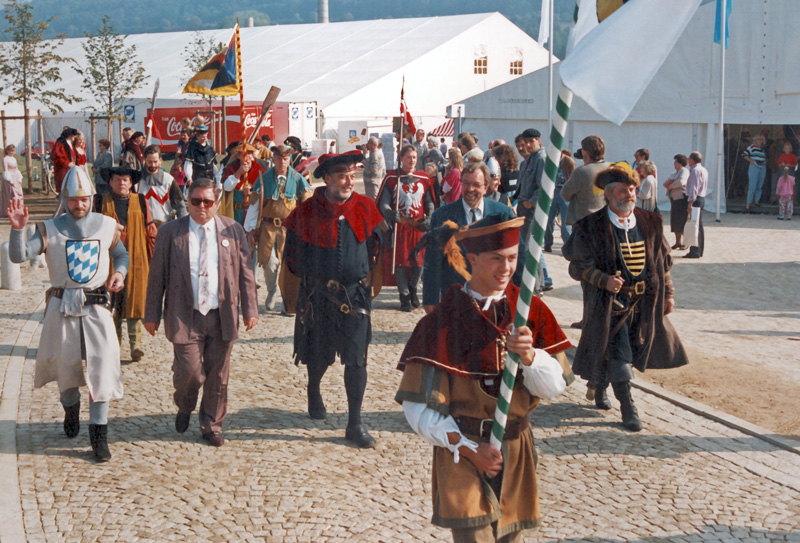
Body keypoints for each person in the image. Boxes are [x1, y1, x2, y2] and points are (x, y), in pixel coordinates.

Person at [396, 215, 570, 543]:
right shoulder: (441, 322)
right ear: (472, 259)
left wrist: (530, 357)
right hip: (461, 451)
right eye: (496, 259)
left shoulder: (530, 311)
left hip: (515, 451)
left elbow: (554, 386)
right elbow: (416, 411)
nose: (506, 268)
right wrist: (470, 448)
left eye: (512, 258)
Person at [7, 167, 128, 462]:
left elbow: (121, 254)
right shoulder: (50, 229)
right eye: (74, 200)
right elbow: (18, 256)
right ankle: (70, 407)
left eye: (84, 199)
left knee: (103, 366)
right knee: (66, 368)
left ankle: (98, 436)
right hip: (62, 306)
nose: (79, 205)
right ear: (65, 198)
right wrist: (17, 229)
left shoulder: (106, 225)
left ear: (91, 198)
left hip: (97, 306)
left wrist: (120, 273)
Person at [563, 163, 688, 432]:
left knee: (628, 350)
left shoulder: (651, 221)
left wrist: (669, 294)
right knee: (619, 352)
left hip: (643, 304)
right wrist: (604, 280)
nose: (629, 194)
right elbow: (577, 267)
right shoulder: (590, 226)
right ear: (608, 195)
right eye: (622, 191)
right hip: (607, 303)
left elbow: (663, 261)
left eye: (632, 189)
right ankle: (628, 408)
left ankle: (599, 382)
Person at [144, 177, 258, 447]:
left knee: (218, 375)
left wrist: (250, 308)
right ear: (188, 202)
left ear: (217, 203)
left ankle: (211, 425)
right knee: (190, 372)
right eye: (196, 201)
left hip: (222, 315)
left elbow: (246, 273)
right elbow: (156, 276)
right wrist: (151, 315)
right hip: (186, 315)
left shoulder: (233, 230)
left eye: (208, 201)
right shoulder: (171, 232)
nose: (202, 207)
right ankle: (185, 403)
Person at [282, 151, 384, 448]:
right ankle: (314, 388)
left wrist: (362, 275)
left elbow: (377, 244)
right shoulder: (305, 212)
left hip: (355, 297)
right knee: (319, 354)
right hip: (319, 297)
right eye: (342, 176)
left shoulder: (366, 207)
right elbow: (293, 255)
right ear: (327, 178)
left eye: (352, 176)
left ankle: (355, 423)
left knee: (356, 359)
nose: (348, 181)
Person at [422, 162, 515, 312]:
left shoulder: (502, 213)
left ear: (485, 188)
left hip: (493, 299)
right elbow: (433, 260)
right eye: (466, 183)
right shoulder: (442, 215)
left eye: (476, 185)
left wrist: (519, 295)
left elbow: (516, 256)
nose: (470, 189)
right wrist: (430, 300)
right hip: (455, 298)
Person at [95, 166, 157, 363]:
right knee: (111, 301)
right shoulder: (99, 202)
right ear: (110, 181)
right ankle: (114, 345)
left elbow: (151, 232)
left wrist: (154, 258)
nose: (122, 182)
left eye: (125, 180)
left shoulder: (141, 201)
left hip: (137, 257)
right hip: (108, 259)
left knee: (135, 300)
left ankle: (135, 344)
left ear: (131, 183)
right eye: (117, 179)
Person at [245, 143, 312, 312]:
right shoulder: (263, 179)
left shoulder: (298, 179)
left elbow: (307, 207)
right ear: (273, 160)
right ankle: (272, 290)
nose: (283, 162)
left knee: (289, 265)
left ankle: (287, 300)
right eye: (279, 159)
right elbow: (254, 207)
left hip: (289, 229)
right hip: (267, 227)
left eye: (286, 159)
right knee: (269, 263)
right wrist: (251, 230)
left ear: (289, 160)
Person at [377, 144, 436, 311]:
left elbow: (429, 201)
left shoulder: (423, 178)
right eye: (409, 157)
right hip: (401, 227)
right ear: (401, 158)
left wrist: (430, 216)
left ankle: (412, 289)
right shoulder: (391, 178)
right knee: (401, 262)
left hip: (418, 226)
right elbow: (384, 203)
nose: (412, 160)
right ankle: (403, 295)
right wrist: (388, 213)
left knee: (418, 261)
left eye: (415, 157)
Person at [561, 135, 608, 226]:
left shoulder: (581, 172)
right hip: (605, 220)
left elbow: (565, 194)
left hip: (584, 222)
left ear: (586, 153)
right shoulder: (611, 168)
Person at [136, 145, 187, 227]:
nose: (153, 165)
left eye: (155, 162)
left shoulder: (168, 179)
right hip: (141, 225)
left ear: (160, 161)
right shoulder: (136, 178)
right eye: (149, 162)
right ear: (145, 160)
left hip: (164, 225)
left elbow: (180, 206)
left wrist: (184, 226)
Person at [219, 142, 264, 225]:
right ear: (239, 156)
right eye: (244, 153)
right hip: (236, 212)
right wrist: (238, 173)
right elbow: (226, 187)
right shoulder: (231, 168)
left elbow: (265, 190)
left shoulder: (259, 169)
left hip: (253, 213)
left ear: (253, 156)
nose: (247, 156)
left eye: (249, 153)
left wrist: (252, 192)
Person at [544, 150, 575, 252]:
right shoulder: (551, 162)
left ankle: (568, 247)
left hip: (565, 191)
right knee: (548, 219)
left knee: (565, 224)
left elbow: (573, 177)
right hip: (555, 190)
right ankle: (548, 243)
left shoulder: (568, 161)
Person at [663, 154, 690, 250]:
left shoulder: (684, 171)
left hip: (681, 199)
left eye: (675, 162)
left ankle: (686, 242)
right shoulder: (675, 173)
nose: (674, 164)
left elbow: (681, 182)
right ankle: (677, 241)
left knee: (682, 220)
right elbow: (665, 183)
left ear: (680, 163)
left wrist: (671, 185)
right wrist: (670, 183)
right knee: (675, 221)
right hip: (674, 199)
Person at [685, 151, 708, 259]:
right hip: (701, 198)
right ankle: (699, 249)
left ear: (693, 159)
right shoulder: (703, 169)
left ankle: (694, 251)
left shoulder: (695, 170)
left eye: (689, 159)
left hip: (695, 199)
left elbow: (694, 188)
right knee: (699, 226)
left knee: (694, 225)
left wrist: (690, 203)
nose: (688, 161)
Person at [743, 134, 767, 212]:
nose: (760, 140)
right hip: (754, 166)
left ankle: (757, 201)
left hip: (762, 167)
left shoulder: (764, 148)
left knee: (759, 185)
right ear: (755, 140)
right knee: (752, 186)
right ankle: (748, 204)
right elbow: (744, 154)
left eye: (761, 139)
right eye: (758, 139)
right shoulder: (752, 147)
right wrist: (751, 161)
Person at [52, 128, 79, 193]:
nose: (75, 137)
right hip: (63, 170)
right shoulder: (61, 143)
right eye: (74, 135)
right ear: (70, 135)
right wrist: (67, 163)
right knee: (64, 190)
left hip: (70, 169)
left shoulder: (70, 143)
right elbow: (58, 157)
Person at [1, 144, 24, 218]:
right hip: (9, 178)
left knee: (19, 194)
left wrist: (19, 178)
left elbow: (16, 169)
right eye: (11, 151)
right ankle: (10, 211)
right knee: (11, 195)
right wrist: (10, 180)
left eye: (13, 151)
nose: (12, 152)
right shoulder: (5, 159)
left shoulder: (14, 159)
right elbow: (6, 170)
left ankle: (18, 210)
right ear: (7, 151)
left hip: (16, 177)